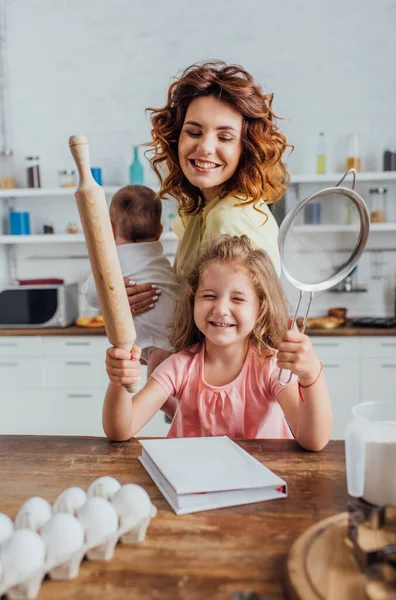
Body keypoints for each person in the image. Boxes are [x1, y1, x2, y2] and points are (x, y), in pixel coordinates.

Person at [103, 235, 332, 451]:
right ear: (193, 301)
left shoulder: (271, 367)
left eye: (238, 299)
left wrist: (311, 374)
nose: (221, 309)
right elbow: (120, 429)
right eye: (209, 296)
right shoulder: (179, 366)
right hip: (195, 484)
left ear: (260, 308)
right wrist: (118, 383)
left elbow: (313, 440)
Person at [125, 59, 292, 314]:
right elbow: (185, 299)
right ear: (176, 138)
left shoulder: (229, 218)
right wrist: (143, 295)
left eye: (224, 137)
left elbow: (238, 328)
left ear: (245, 148)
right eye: (193, 132)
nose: (204, 148)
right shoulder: (196, 209)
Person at [82, 185, 180, 417]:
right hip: (175, 331)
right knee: (172, 389)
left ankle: (190, 421)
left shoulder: (112, 261)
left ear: (111, 229)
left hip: (159, 340)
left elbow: (92, 296)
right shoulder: (158, 257)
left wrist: (109, 293)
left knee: (161, 397)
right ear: (159, 231)